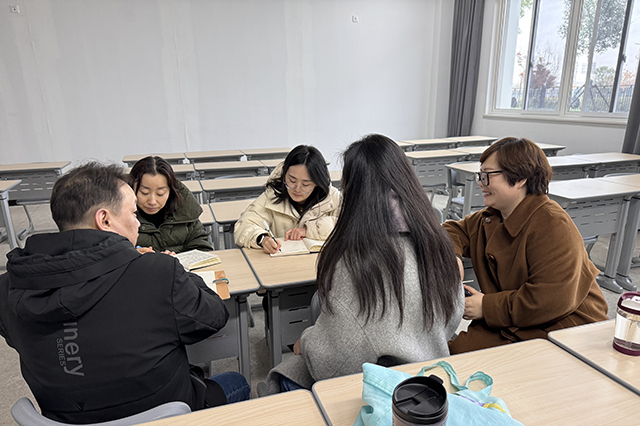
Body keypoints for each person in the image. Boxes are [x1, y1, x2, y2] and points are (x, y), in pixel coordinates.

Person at [0, 163, 249, 424]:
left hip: (66, 419)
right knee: (237, 382)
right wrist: (176, 270)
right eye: (133, 212)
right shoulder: (158, 272)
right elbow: (214, 316)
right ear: (105, 219)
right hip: (167, 415)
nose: (138, 222)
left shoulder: (8, 287)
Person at [262, 134, 464, 393]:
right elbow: (452, 318)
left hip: (385, 388)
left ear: (353, 191)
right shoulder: (438, 242)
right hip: (431, 374)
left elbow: (335, 361)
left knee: (287, 374)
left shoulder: (357, 261)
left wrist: (308, 340)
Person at [443, 137, 609, 354]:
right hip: (515, 320)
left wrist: (487, 307)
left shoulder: (551, 222)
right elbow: (451, 230)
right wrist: (452, 257)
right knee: (453, 356)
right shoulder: (493, 216)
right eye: (480, 175)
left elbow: (550, 300)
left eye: (487, 175)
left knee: (462, 360)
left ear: (520, 178)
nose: (481, 183)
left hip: (562, 327)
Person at [234, 145, 341, 253]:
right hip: (281, 261)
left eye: (305, 184)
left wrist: (308, 230)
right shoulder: (273, 195)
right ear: (284, 174)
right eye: (292, 181)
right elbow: (243, 225)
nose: (297, 189)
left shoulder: (333, 199)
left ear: (317, 182)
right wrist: (262, 238)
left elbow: (347, 228)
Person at [129, 156, 212, 254]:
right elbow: (114, 254)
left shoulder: (185, 211)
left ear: (170, 191)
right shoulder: (119, 218)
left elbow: (202, 249)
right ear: (131, 188)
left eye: (160, 194)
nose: (152, 201)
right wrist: (133, 256)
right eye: (144, 193)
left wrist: (174, 260)